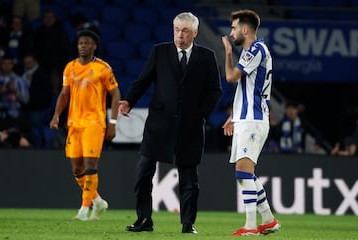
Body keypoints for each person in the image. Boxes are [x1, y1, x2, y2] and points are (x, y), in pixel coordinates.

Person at [119, 12, 222, 234]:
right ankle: (144, 219)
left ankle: (187, 224)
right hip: (158, 124)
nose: (180, 35)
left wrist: (201, 114)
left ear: (194, 33)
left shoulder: (206, 56)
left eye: (185, 30)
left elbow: (215, 91)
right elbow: (144, 80)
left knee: (189, 179)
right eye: (176, 29)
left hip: (190, 127)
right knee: (144, 172)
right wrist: (128, 100)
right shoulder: (159, 51)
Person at [49, 29, 121, 221]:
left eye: (87, 43)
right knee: (77, 169)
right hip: (74, 123)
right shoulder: (70, 67)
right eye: (81, 43)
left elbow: (116, 95)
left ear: (94, 46)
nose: (83, 46)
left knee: (90, 165)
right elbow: (64, 94)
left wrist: (112, 122)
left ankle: (84, 210)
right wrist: (56, 115)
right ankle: (98, 201)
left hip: (94, 122)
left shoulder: (103, 68)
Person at [221, 9, 280, 236]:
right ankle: (268, 220)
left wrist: (227, 54)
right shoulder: (256, 51)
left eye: (234, 28)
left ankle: (251, 226)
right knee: (246, 174)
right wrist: (234, 115)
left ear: (245, 30)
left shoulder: (255, 49)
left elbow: (231, 77)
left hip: (253, 119)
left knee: (243, 173)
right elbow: (246, 88)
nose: (231, 32)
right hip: (248, 118)